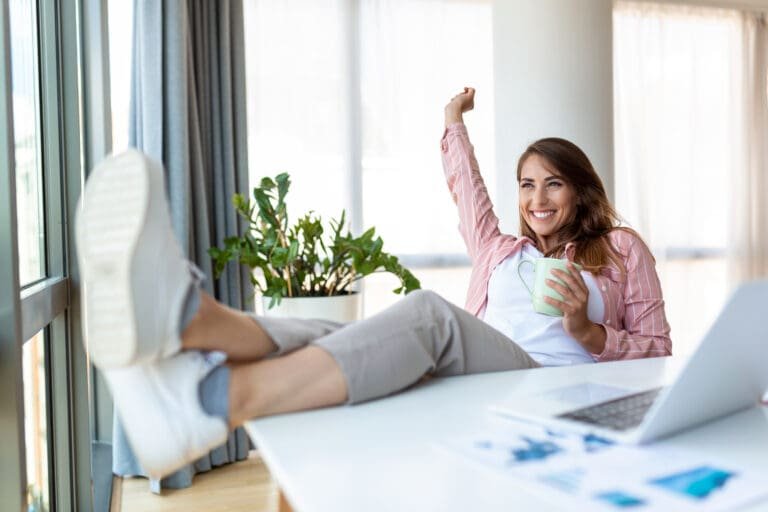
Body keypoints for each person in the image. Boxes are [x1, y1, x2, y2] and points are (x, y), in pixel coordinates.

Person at [76, 87, 670, 479]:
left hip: (550, 385)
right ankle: (192, 324)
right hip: (496, 366)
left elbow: (660, 351)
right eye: (526, 184)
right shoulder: (500, 250)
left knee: (432, 317)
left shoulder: (620, 249)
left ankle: (209, 399)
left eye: (553, 184)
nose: (536, 199)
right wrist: (450, 122)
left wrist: (589, 332)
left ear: (580, 188)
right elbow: (468, 190)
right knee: (329, 329)